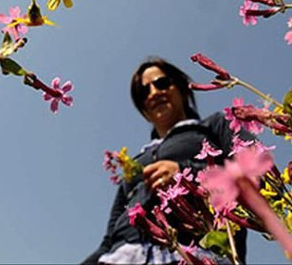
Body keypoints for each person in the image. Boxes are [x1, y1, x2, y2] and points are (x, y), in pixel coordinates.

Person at [84, 57, 252, 264]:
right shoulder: (134, 164)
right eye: (143, 92)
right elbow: (108, 240)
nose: (153, 93)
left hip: (195, 255)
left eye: (162, 83)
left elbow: (254, 171)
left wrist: (184, 174)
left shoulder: (215, 126)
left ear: (182, 89)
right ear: (143, 108)